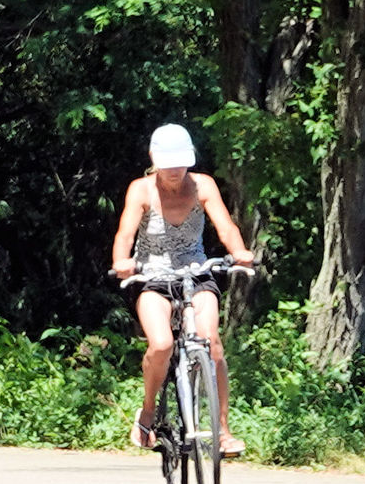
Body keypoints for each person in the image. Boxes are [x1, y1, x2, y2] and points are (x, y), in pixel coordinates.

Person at [110, 123, 257, 454]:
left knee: (212, 342)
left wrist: (240, 252)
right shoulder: (141, 190)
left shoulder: (203, 185)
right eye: (168, 162)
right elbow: (125, 234)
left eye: (181, 161)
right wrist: (122, 259)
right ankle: (147, 413)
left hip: (196, 273)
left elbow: (226, 226)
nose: (175, 170)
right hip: (152, 277)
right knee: (161, 344)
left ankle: (221, 431)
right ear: (154, 159)